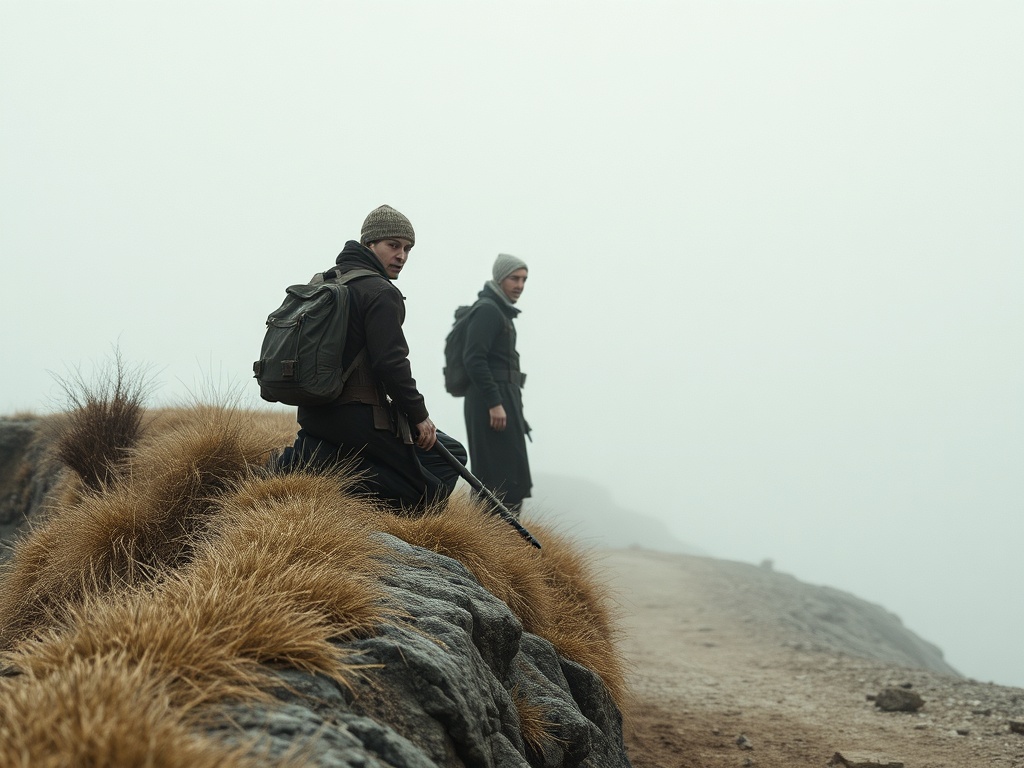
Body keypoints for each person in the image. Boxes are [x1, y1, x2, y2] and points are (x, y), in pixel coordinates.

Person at [280, 204, 467, 511]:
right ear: (370, 244)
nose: (402, 256)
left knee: (447, 453)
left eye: (407, 248)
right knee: (432, 486)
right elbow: (390, 363)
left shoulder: (327, 282)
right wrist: (419, 416)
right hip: (357, 417)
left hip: (315, 413)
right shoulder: (380, 292)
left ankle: (312, 457)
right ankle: (330, 474)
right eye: (393, 245)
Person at [461, 254, 532, 514]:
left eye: (524, 279)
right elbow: (474, 359)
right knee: (497, 479)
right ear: (500, 278)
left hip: (503, 400)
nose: (520, 285)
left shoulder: (501, 311)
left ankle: (500, 542)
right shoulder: (488, 310)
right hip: (490, 403)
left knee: (510, 477)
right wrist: (495, 403)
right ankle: (486, 540)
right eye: (514, 278)